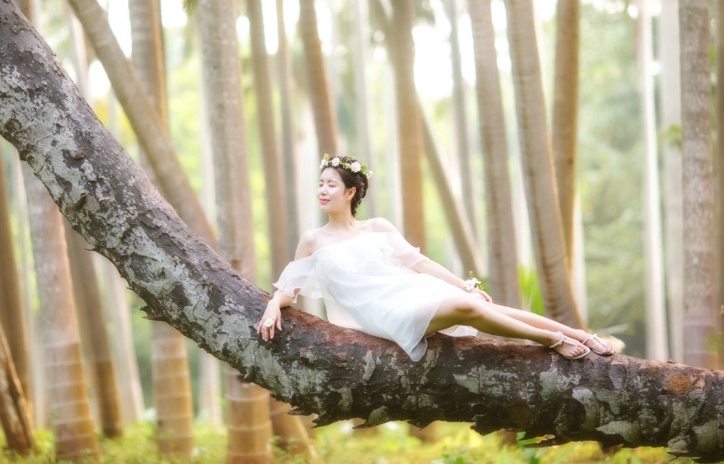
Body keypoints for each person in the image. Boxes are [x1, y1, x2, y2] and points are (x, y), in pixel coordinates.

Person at [257, 154, 613, 361]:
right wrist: (274, 304)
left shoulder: (377, 226)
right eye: (321, 184)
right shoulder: (313, 240)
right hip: (384, 314)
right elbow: (291, 289)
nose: (323, 190)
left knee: (486, 305)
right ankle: (552, 340)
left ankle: (580, 335)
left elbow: (420, 264)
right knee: (471, 310)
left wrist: (467, 285)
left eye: (331, 184)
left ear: (350, 192)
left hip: (411, 289)